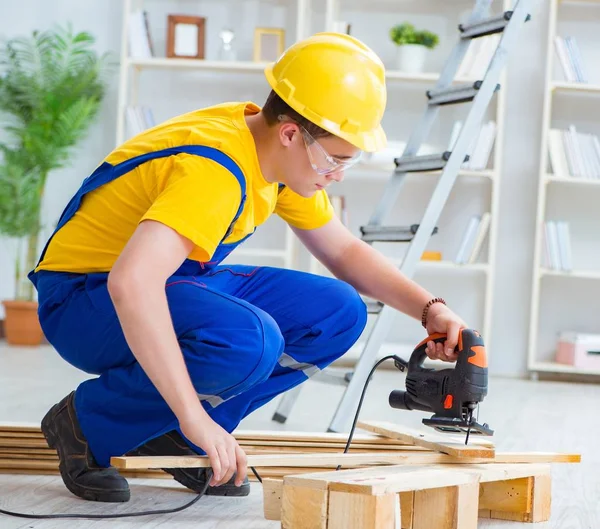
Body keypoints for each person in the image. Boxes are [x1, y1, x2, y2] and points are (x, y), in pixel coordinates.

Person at [29, 32, 467, 503]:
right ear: (292, 133)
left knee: (338, 312)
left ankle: (175, 435)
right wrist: (193, 412)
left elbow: (343, 252)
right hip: (83, 303)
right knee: (249, 340)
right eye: (336, 159)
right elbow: (132, 284)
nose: (338, 174)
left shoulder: (271, 155)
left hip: (167, 281)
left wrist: (429, 309)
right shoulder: (214, 171)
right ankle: (87, 424)